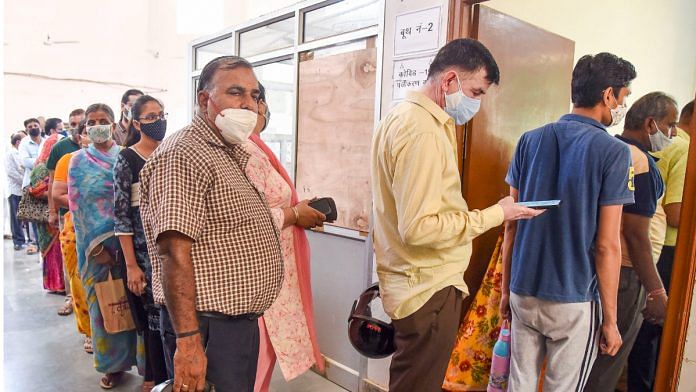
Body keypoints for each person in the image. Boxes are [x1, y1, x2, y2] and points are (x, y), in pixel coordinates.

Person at [370, 38, 542, 392]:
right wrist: (496, 214)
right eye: (476, 91)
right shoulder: (421, 130)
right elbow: (419, 228)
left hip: (414, 281)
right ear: (449, 81)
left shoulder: (405, 117)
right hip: (427, 288)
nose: (477, 103)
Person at [140, 55, 284, 392]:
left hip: (234, 325)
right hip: (206, 329)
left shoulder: (227, 151)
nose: (248, 104)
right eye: (236, 93)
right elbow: (173, 254)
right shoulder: (184, 154)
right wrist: (188, 344)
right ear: (205, 100)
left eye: (255, 95)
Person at [501, 52, 637, 391]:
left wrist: (505, 291)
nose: (622, 106)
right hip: (573, 299)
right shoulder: (615, 153)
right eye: (624, 97)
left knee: (519, 384)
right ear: (609, 95)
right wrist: (611, 320)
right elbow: (607, 245)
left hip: (523, 289)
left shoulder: (529, 141)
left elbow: (510, 224)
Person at [584, 92, 674, 391]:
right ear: (651, 125)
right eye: (669, 125)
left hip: (593, 267)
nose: (672, 133)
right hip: (623, 275)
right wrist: (656, 289)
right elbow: (636, 235)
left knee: (589, 359)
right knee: (607, 360)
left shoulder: (604, 148)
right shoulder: (640, 162)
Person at [244, 84, 326, 392]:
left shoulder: (257, 147)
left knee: (261, 359)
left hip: (273, 272)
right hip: (256, 276)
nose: (255, 107)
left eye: (255, 98)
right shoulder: (245, 150)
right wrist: (294, 215)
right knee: (254, 359)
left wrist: (298, 211)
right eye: (242, 98)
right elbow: (249, 220)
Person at [68, 103, 143, 389]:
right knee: (103, 307)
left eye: (102, 120)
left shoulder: (125, 157)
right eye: (91, 121)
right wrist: (97, 248)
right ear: (84, 127)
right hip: (95, 249)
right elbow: (78, 207)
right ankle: (112, 366)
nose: (96, 125)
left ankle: (144, 365)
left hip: (130, 246)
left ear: (113, 124)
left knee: (134, 306)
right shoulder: (78, 160)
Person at [628, 99, 693, 390]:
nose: (672, 130)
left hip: (642, 251)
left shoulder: (652, 149)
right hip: (666, 251)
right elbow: (678, 213)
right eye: (670, 124)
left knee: (642, 330)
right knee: (655, 331)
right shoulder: (685, 149)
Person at [113, 95, 169, 391]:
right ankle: (155, 377)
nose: (158, 121)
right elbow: (121, 217)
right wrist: (132, 266)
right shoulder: (128, 158)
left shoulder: (171, 153)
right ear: (136, 123)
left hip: (169, 252)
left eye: (161, 114)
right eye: (150, 117)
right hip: (142, 257)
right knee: (151, 321)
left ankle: (170, 376)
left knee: (171, 318)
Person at [52, 120, 93, 354]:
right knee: (79, 282)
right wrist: (86, 204)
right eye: (88, 130)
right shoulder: (68, 160)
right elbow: (57, 194)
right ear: (80, 137)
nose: (93, 134)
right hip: (77, 226)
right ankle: (88, 330)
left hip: (109, 228)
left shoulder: (118, 157)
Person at [47, 112, 84, 316]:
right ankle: (72, 298)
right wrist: (52, 210)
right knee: (71, 259)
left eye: (81, 123)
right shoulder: (61, 149)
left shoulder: (106, 150)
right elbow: (53, 181)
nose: (78, 128)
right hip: (68, 213)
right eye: (73, 124)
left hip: (99, 220)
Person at [31, 129, 65, 293]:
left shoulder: (52, 164)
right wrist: (53, 193)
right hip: (46, 214)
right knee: (52, 251)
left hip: (50, 212)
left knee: (57, 250)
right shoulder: (41, 166)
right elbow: (35, 189)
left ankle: (59, 283)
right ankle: (56, 284)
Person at [18, 117, 44, 254]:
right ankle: (37, 244)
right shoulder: (24, 143)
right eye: (30, 126)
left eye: (35, 125)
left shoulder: (46, 142)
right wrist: (43, 162)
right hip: (31, 184)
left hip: (46, 185)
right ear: (27, 130)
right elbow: (25, 161)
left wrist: (40, 162)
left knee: (45, 216)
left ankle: (44, 244)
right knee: (34, 217)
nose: (33, 127)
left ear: (40, 127)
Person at [7, 132, 27, 250]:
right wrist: (23, 182)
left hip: (23, 189)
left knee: (25, 216)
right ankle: (18, 241)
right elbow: (12, 172)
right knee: (16, 217)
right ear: (18, 142)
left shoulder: (21, 153)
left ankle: (26, 239)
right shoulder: (10, 154)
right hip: (15, 190)